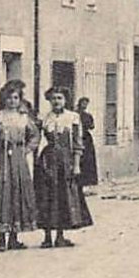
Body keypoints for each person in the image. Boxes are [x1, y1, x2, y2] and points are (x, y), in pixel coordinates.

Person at [0, 80, 38, 252]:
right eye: (9, 98)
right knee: (1, 195)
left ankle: (14, 237)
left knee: (17, 194)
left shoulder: (24, 118)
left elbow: (35, 136)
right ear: (3, 99)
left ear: (19, 100)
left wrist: (27, 150)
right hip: (2, 159)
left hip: (19, 161)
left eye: (15, 98)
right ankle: (0, 238)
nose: (12, 101)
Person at [34, 87, 93, 247]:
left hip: (65, 162)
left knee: (63, 198)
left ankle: (60, 236)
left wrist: (76, 165)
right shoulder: (45, 118)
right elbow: (37, 140)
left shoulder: (73, 118)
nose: (56, 101)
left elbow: (77, 143)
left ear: (65, 100)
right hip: (47, 161)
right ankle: (47, 237)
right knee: (46, 197)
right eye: (53, 98)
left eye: (59, 98)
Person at [75, 95, 100, 190]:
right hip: (78, 137)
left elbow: (92, 126)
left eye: (86, 104)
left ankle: (87, 182)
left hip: (86, 139)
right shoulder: (74, 114)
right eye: (83, 103)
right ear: (79, 103)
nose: (85, 105)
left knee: (88, 160)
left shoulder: (88, 115)